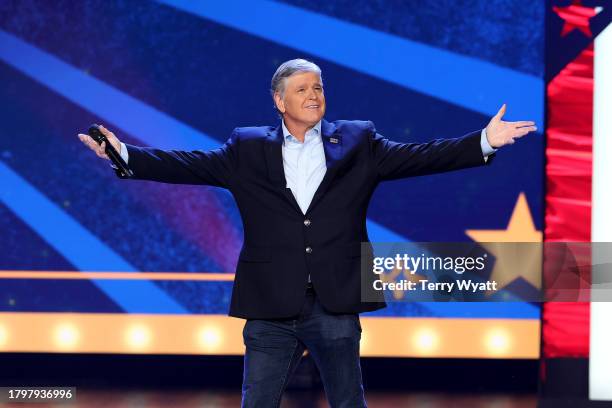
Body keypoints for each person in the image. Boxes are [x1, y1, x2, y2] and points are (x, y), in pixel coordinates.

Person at [78, 58, 537, 407]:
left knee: (347, 400)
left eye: (318, 86)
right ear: (280, 101)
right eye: (302, 88)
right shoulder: (248, 146)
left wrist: (482, 141)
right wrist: (126, 155)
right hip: (270, 303)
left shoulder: (359, 141)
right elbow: (188, 165)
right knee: (257, 401)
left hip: (334, 301)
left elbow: (421, 155)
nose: (314, 94)